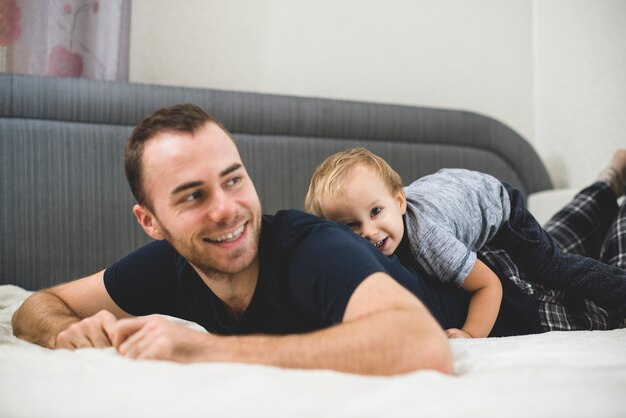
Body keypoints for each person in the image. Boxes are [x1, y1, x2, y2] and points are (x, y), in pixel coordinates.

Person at [12, 103, 463, 376]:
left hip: (508, 297)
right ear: (151, 222)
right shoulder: (170, 263)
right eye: (193, 195)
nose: (226, 208)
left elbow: (424, 345)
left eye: (233, 180)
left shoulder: (315, 249)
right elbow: (38, 305)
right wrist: (67, 333)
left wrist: (205, 350)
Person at [305, 147, 626, 336]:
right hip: (459, 198)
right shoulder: (378, 235)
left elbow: (489, 286)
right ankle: (612, 180)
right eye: (350, 226)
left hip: (499, 207)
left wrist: (471, 335)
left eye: (376, 212)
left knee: (553, 267)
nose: (369, 231)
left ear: (399, 203)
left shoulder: (429, 241)